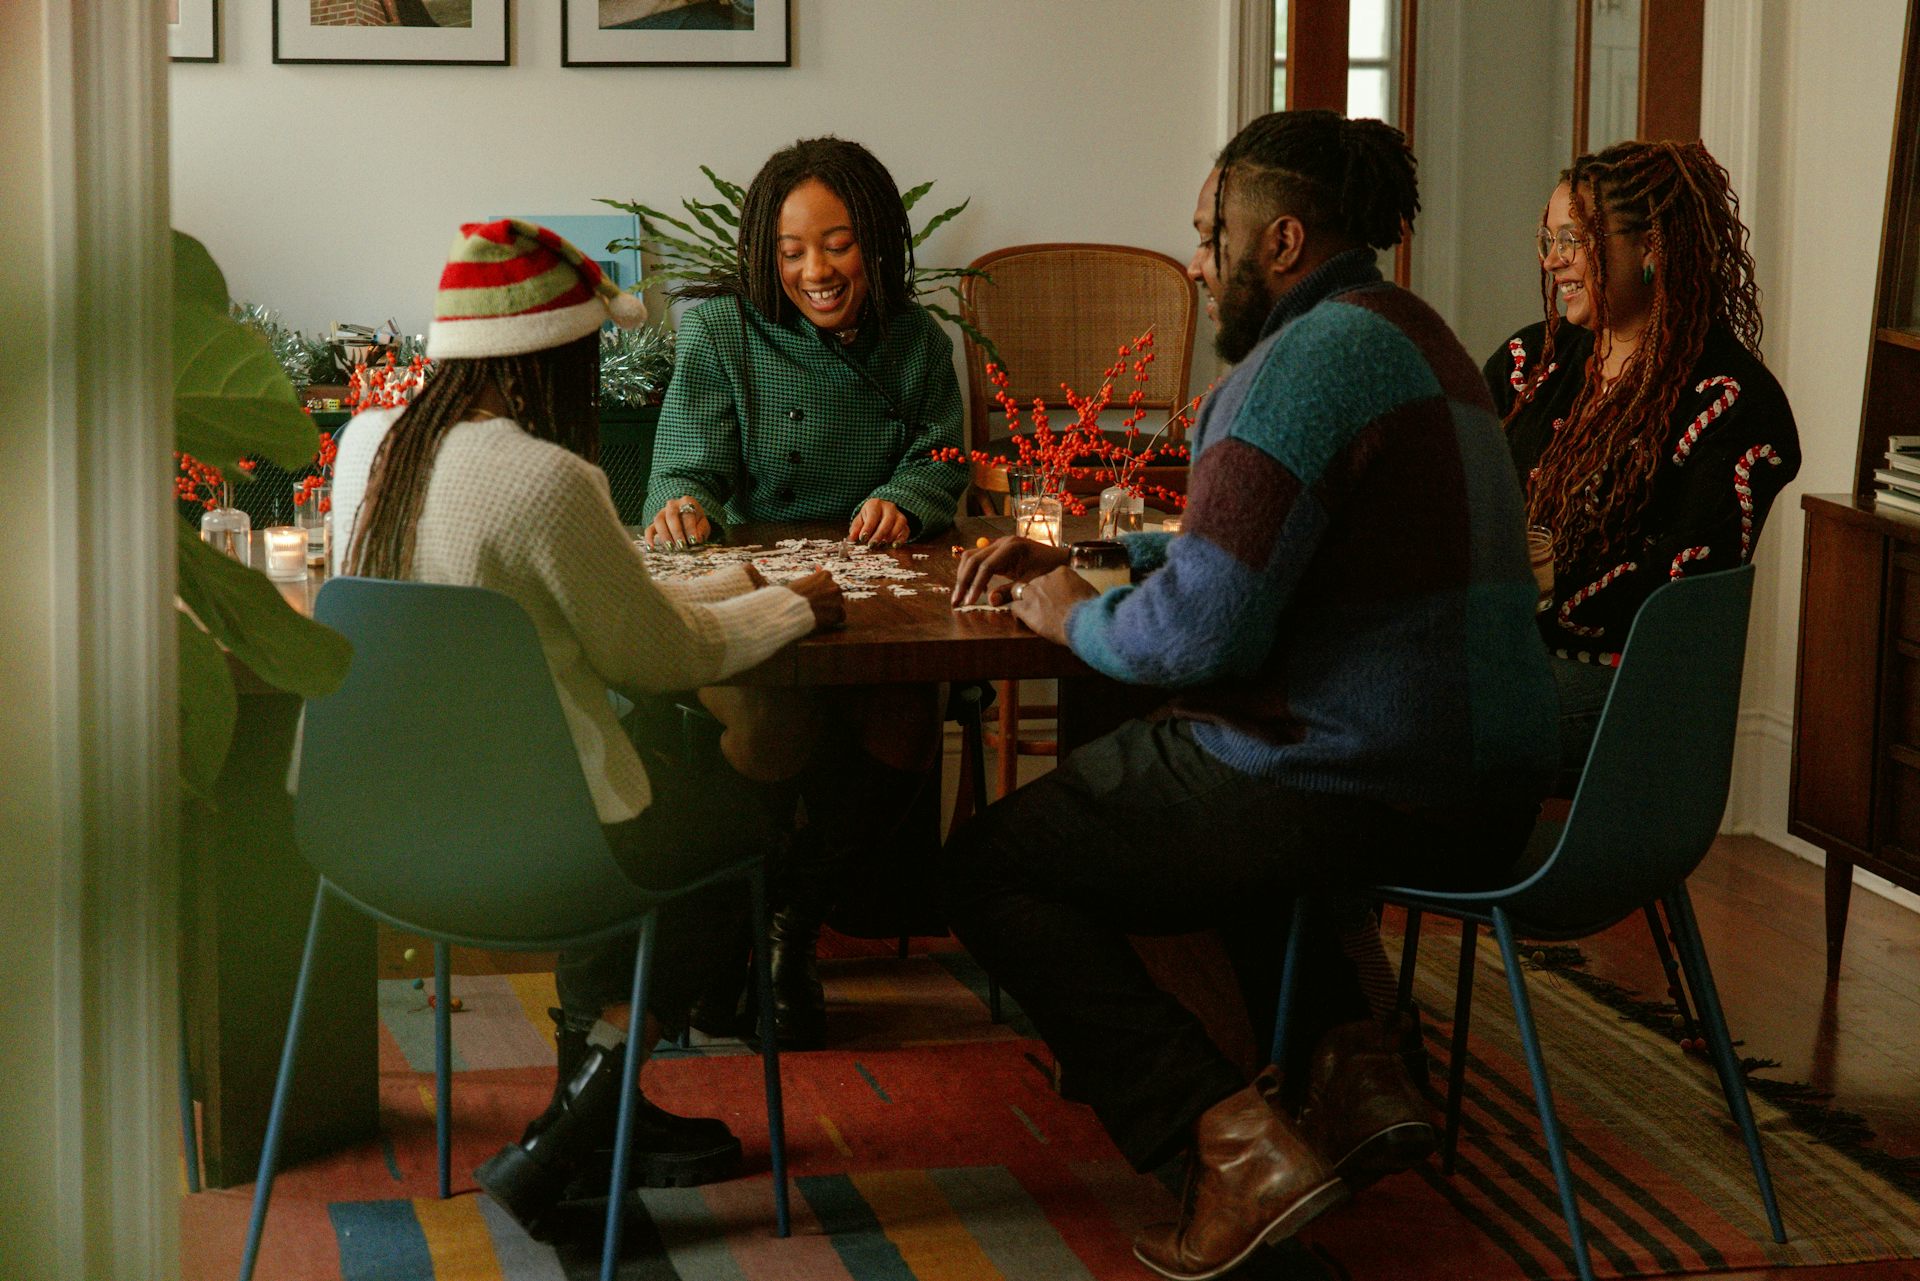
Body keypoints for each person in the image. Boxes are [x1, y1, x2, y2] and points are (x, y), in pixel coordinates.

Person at [942, 110, 1558, 1281]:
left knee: (993, 865)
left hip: (1362, 782)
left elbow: (1198, 634)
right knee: (1202, 792)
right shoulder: (1415, 334)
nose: (1195, 262)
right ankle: (1353, 1072)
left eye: (1208, 234)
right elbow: (1264, 552)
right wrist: (1102, 558)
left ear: (1278, 241)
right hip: (1484, 784)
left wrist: (1067, 613)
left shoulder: (1296, 367)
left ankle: (1229, 1146)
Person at [329, 219, 843, 1236]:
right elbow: (656, 657)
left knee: (655, 793)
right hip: (539, 842)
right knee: (740, 831)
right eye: (589, 352)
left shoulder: (366, 446)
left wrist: (721, 588)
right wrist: (792, 604)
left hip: (379, 831)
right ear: (548, 356)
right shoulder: (545, 478)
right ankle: (582, 1122)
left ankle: (596, 1111)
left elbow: (570, 602)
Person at [642, 136, 968, 1049]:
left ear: (879, 242)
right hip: (754, 594)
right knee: (773, 719)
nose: (815, 272)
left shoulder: (916, 342)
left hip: (875, 596)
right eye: (791, 252)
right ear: (765, 254)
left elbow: (941, 456)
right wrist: (685, 503)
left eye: (837, 245)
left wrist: (907, 496)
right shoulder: (721, 332)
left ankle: (791, 925)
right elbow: (685, 465)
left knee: (909, 710)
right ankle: (733, 931)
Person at [1490, 139, 1800, 788]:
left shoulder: (1731, 403)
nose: (1552, 260)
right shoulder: (1528, 364)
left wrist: (1519, 594)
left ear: (1652, 246)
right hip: (1510, 656)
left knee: (1409, 715)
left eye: (1573, 239)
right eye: (1547, 239)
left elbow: (1676, 592)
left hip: (1630, 688)